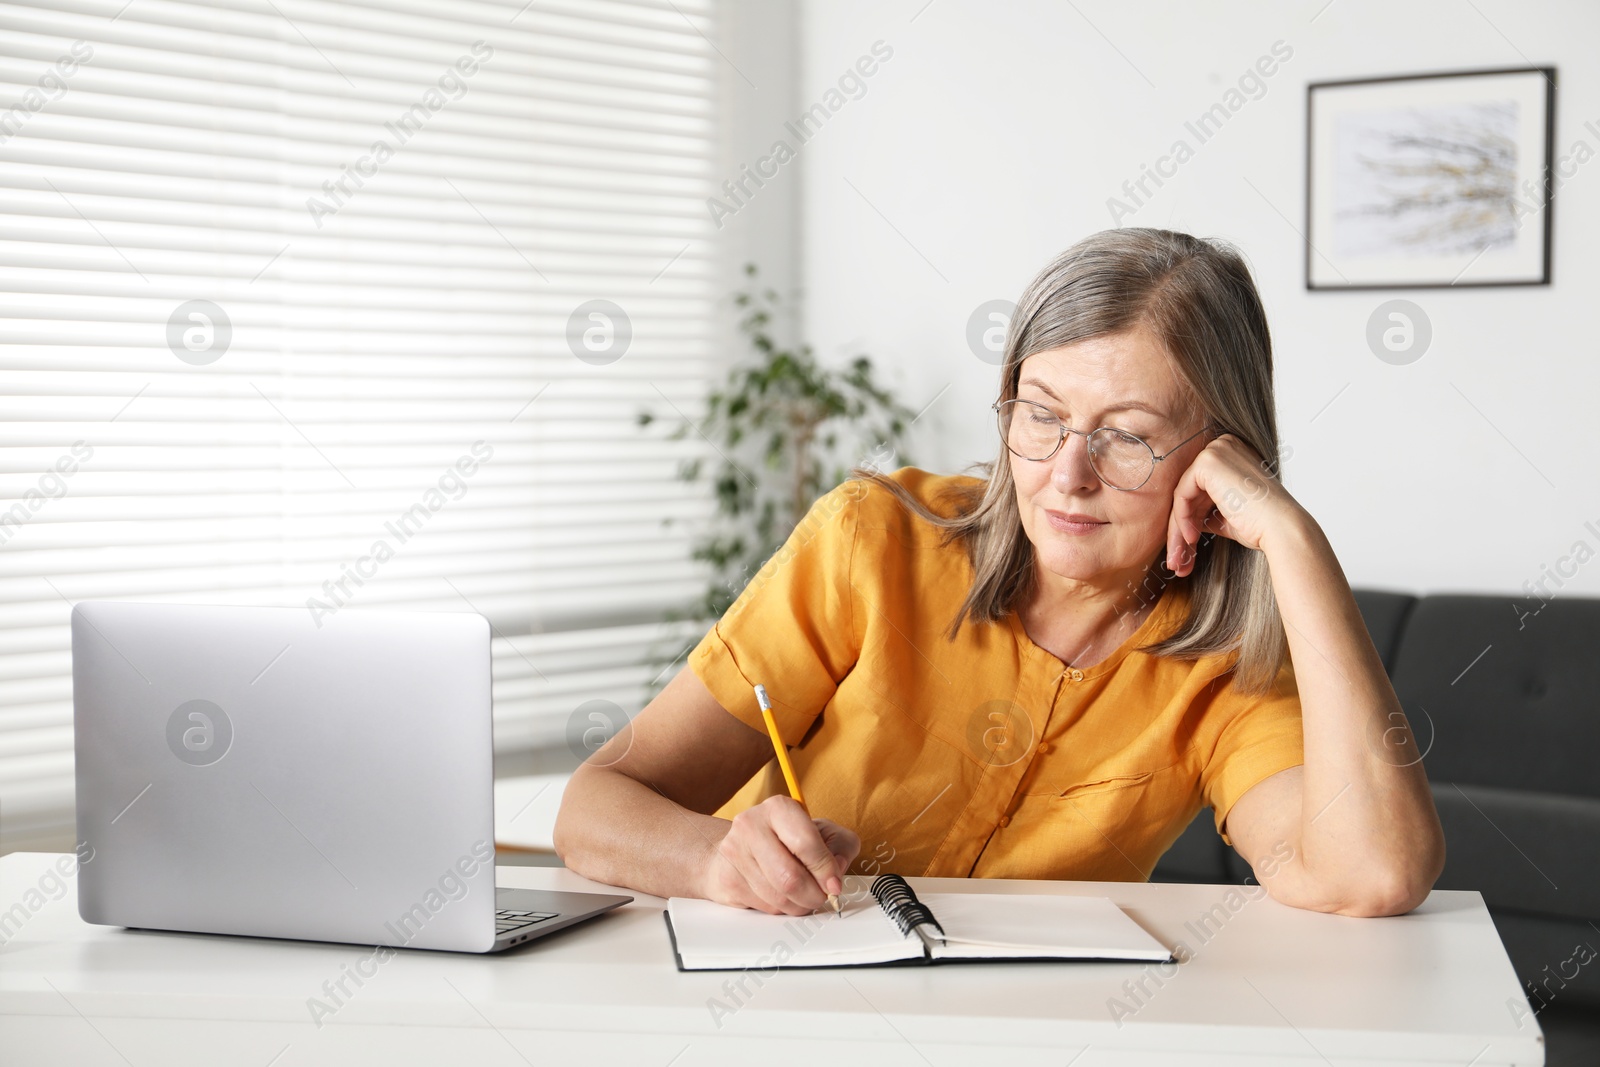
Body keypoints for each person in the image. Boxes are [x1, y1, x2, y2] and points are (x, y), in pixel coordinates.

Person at [553, 227, 1445, 919]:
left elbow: (1371, 873)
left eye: (1128, 436)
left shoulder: (1230, 666)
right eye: (1041, 414)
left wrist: (1293, 538)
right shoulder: (874, 538)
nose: (1068, 473)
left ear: (1224, 460)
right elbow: (595, 808)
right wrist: (716, 861)